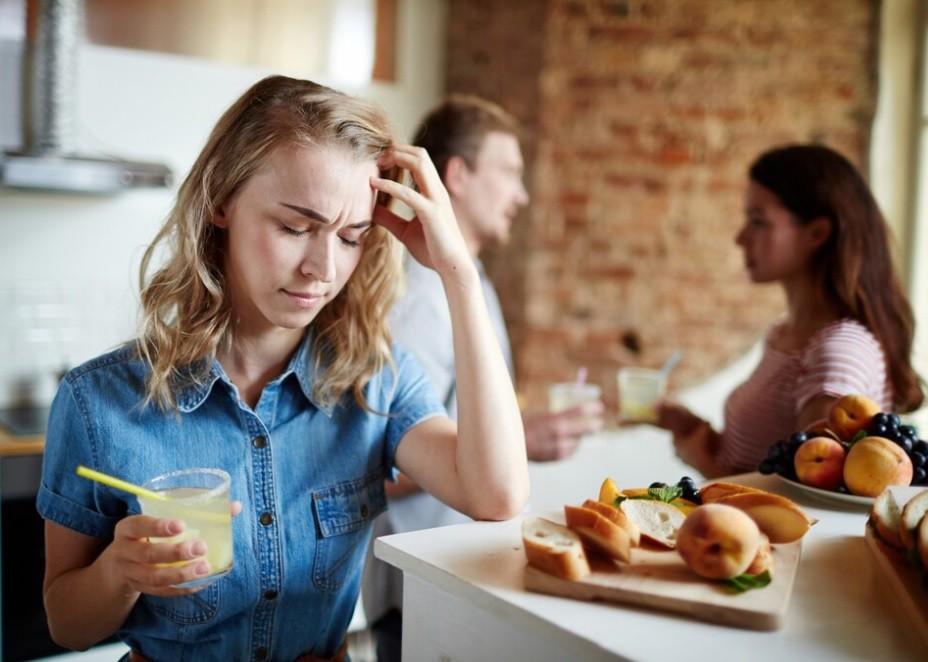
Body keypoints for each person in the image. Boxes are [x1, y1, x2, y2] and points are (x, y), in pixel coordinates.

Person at [36, 75, 528, 661]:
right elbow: (66, 625)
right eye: (296, 227)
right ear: (221, 201)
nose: (322, 267)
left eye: (351, 237)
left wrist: (458, 273)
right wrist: (119, 570)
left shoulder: (374, 380)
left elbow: (495, 495)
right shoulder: (98, 402)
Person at [361, 94, 604, 662]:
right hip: (420, 587)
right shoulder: (420, 301)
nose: (522, 195)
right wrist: (515, 442)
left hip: (456, 574)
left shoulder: (468, 283)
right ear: (458, 176)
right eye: (511, 173)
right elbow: (377, 462)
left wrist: (513, 431)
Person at [655, 143, 925, 478]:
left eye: (758, 221)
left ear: (817, 233)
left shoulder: (838, 351)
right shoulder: (784, 334)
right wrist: (701, 432)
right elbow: (765, 459)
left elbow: (807, 505)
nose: (740, 237)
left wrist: (703, 462)